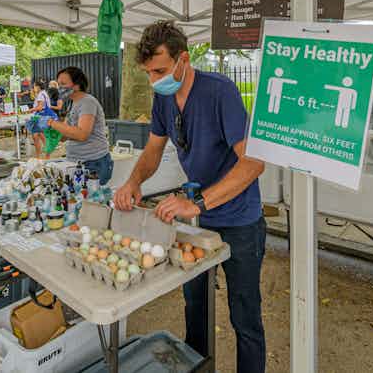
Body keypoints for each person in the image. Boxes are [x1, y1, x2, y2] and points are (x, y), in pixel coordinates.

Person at [113, 21, 266, 373]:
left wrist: (196, 204)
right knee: (195, 305)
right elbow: (153, 150)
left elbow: (254, 163)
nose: (154, 80)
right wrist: (133, 182)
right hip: (199, 221)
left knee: (245, 316)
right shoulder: (164, 97)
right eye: (148, 72)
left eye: (160, 71)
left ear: (184, 58)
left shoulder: (220, 92)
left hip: (239, 220)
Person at [40, 67, 113, 185]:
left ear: (77, 85)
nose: (60, 88)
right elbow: (65, 135)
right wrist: (49, 130)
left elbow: (82, 134)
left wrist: (52, 123)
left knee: (90, 201)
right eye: (59, 84)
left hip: (93, 163)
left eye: (63, 84)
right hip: (76, 161)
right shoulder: (73, 103)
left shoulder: (88, 102)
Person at [26, 81, 50, 158]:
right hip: (44, 116)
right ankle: (44, 154)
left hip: (40, 117)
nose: (34, 88)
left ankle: (39, 156)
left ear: (38, 87)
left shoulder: (40, 95)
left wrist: (30, 110)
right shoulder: (44, 93)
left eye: (34, 86)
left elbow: (39, 107)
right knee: (39, 135)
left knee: (35, 136)